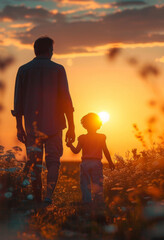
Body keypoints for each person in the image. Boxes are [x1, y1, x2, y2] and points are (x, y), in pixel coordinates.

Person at [12, 36, 75, 204]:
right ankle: (48, 197)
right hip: (55, 125)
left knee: (34, 163)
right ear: (50, 51)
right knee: (54, 162)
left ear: (35, 50)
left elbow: (18, 101)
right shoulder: (58, 69)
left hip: (32, 127)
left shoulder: (23, 70)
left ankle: (37, 198)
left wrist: (19, 127)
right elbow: (66, 100)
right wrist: (72, 127)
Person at [66, 113, 114, 205]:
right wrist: (110, 162)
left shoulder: (82, 138)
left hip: (85, 164)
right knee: (98, 183)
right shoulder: (101, 137)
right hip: (96, 163)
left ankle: (87, 201)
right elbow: (106, 151)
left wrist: (70, 145)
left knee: (85, 184)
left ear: (85, 125)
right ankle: (98, 201)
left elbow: (76, 151)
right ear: (98, 124)